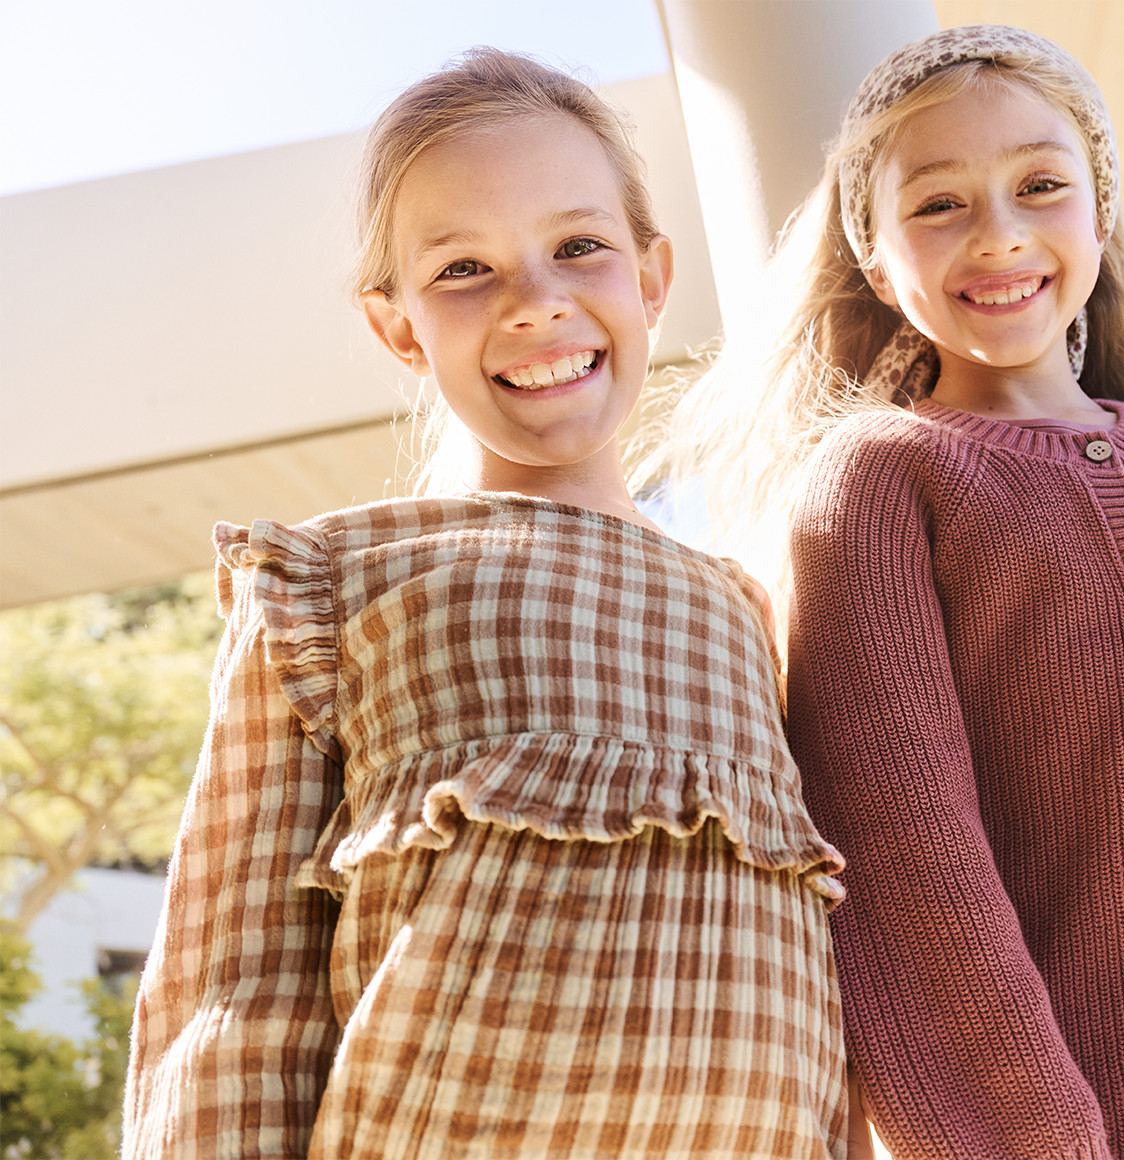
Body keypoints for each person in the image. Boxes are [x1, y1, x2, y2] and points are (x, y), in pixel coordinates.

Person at [121, 48, 852, 1160]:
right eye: (464, 269)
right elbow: (231, 988)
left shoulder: (747, 608)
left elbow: (816, 970)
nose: (534, 302)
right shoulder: (329, 579)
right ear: (399, 326)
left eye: (577, 247)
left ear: (650, 277)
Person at [655, 23, 1124, 1160]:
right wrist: (1030, 1136)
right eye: (938, 204)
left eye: (1040, 184)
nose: (999, 234)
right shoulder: (878, 478)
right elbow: (903, 852)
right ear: (876, 260)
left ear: (1095, 213)